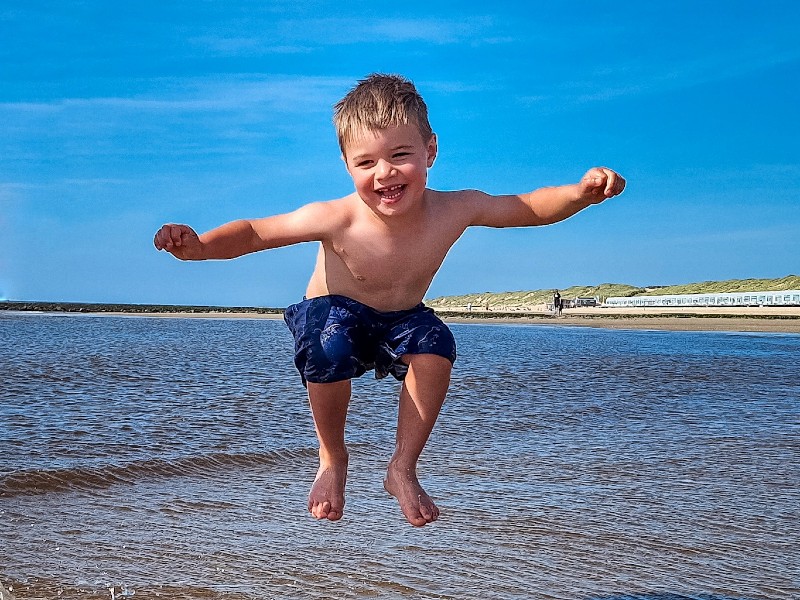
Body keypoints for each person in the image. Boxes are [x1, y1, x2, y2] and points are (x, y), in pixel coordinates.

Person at [153, 73, 625, 527]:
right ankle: (333, 458)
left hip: (401, 317)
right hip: (334, 312)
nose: (385, 173)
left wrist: (579, 193)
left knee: (436, 343)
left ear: (430, 151)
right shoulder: (336, 217)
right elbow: (256, 232)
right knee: (329, 342)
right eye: (366, 162)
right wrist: (199, 247)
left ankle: (401, 468)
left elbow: (525, 208)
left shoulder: (454, 208)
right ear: (347, 165)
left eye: (400, 154)